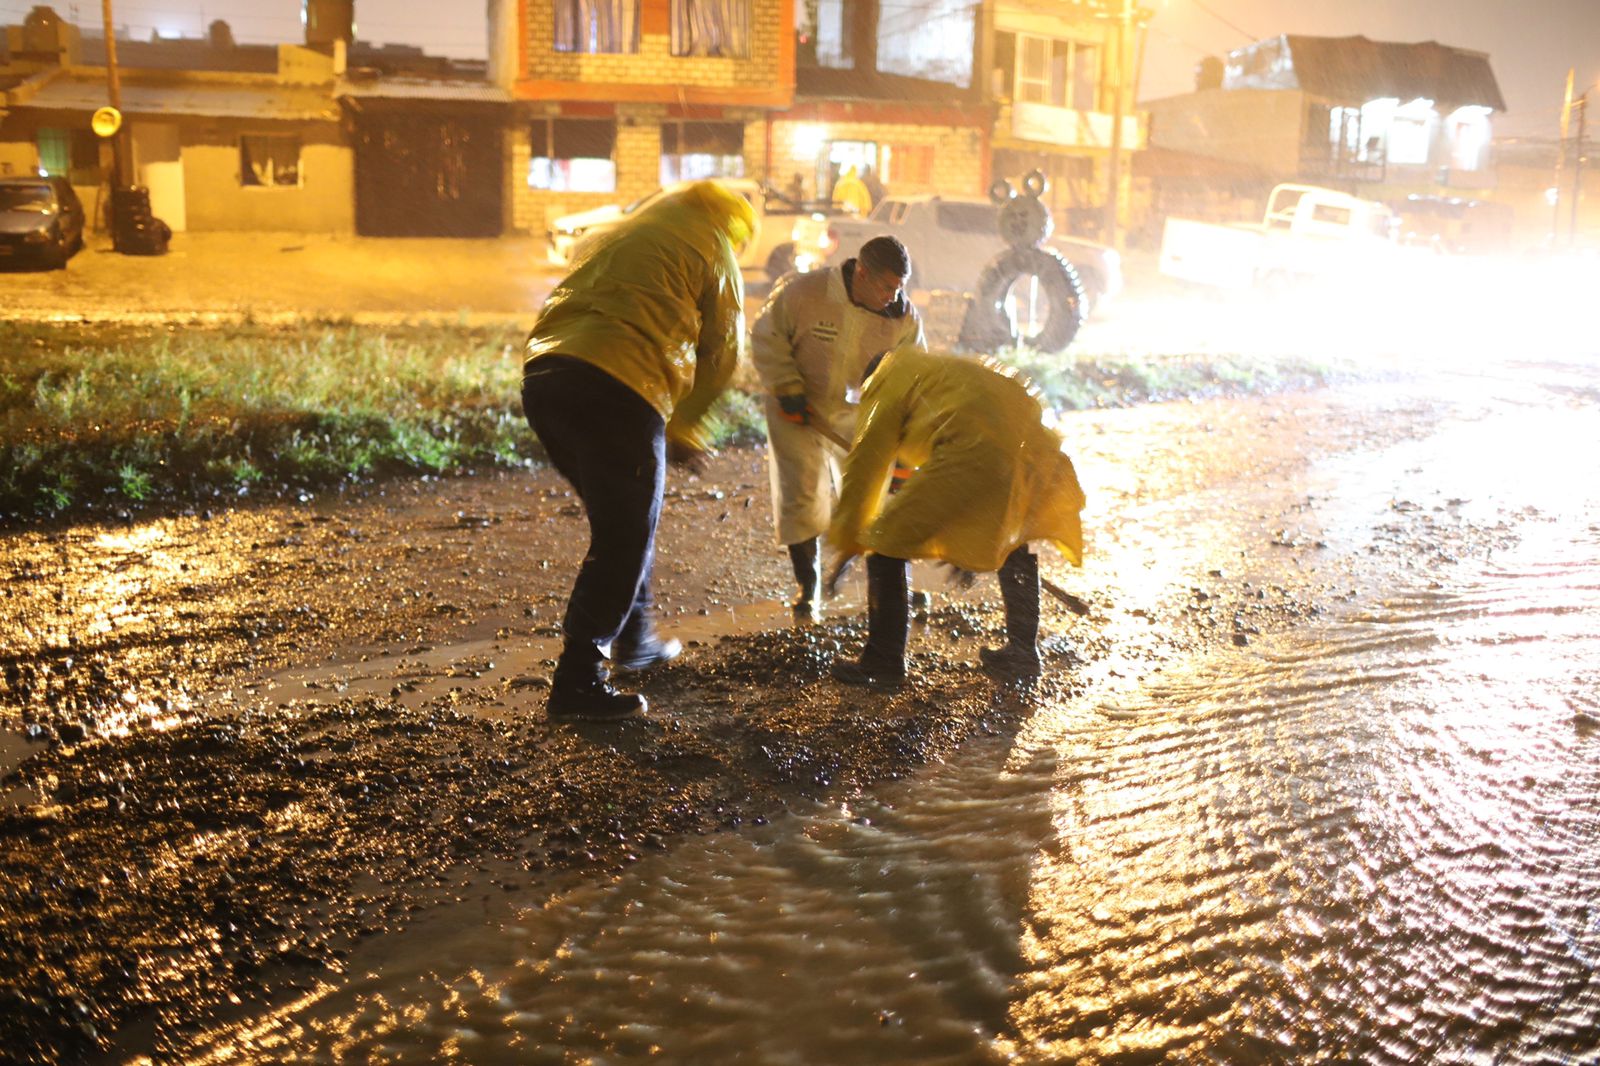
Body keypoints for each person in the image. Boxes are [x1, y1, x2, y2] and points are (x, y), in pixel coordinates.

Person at [521, 180, 752, 720]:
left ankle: (635, 640)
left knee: (624, 524)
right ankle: (578, 680)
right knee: (625, 533)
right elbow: (724, 351)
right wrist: (688, 426)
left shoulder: (619, 233)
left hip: (546, 377)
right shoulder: (712, 246)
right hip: (622, 386)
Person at [826, 347, 1086, 685]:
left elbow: (866, 463)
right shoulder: (941, 369)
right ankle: (1023, 653)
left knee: (886, 542)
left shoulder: (884, 380)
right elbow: (973, 441)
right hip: (1038, 446)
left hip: (977, 450)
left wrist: (851, 539)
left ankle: (882, 662)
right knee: (1013, 539)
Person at [751, 236, 925, 616]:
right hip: (797, 406)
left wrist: (907, 447)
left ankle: (891, 587)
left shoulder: (903, 318)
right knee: (801, 494)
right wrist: (786, 387)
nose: (893, 298)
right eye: (886, 287)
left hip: (858, 415)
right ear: (861, 273)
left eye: (899, 288)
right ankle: (807, 586)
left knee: (872, 499)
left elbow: (914, 380)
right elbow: (768, 336)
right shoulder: (805, 293)